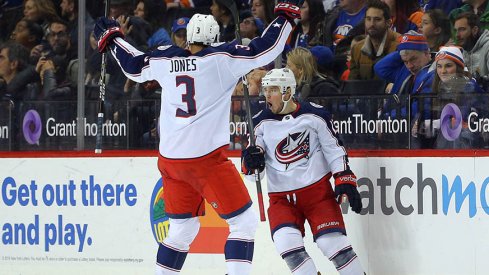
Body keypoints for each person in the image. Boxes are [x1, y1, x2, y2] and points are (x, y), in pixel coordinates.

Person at [93, 0, 303, 273]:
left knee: (182, 227)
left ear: (188, 38)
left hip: (170, 162)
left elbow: (133, 65)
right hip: (205, 161)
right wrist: (286, 16)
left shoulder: (166, 59)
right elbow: (266, 49)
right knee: (244, 222)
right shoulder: (222, 59)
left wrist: (112, 37)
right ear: (214, 38)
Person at [241, 68, 364, 275]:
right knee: (286, 244)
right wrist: (252, 161)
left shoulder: (315, 115)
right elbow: (254, 173)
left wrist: (344, 179)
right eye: (265, 90)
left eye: (272, 90)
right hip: (281, 199)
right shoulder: (259, 123)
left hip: (318, 195)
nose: (266, 96)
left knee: (332, 244)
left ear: (287, 92)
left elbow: (334, 150)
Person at [348, 0, 400, 80]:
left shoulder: (400, 45)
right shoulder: (357, 48)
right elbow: (353, 84)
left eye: (377, 19)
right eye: (368, 19)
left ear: (389, 23)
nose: (372, 24)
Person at [453, 12, 489, 86]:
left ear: (475, 30)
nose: (457, 35)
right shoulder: (464, 50)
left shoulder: (487, 47)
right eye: (456, 30)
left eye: (462, 29)